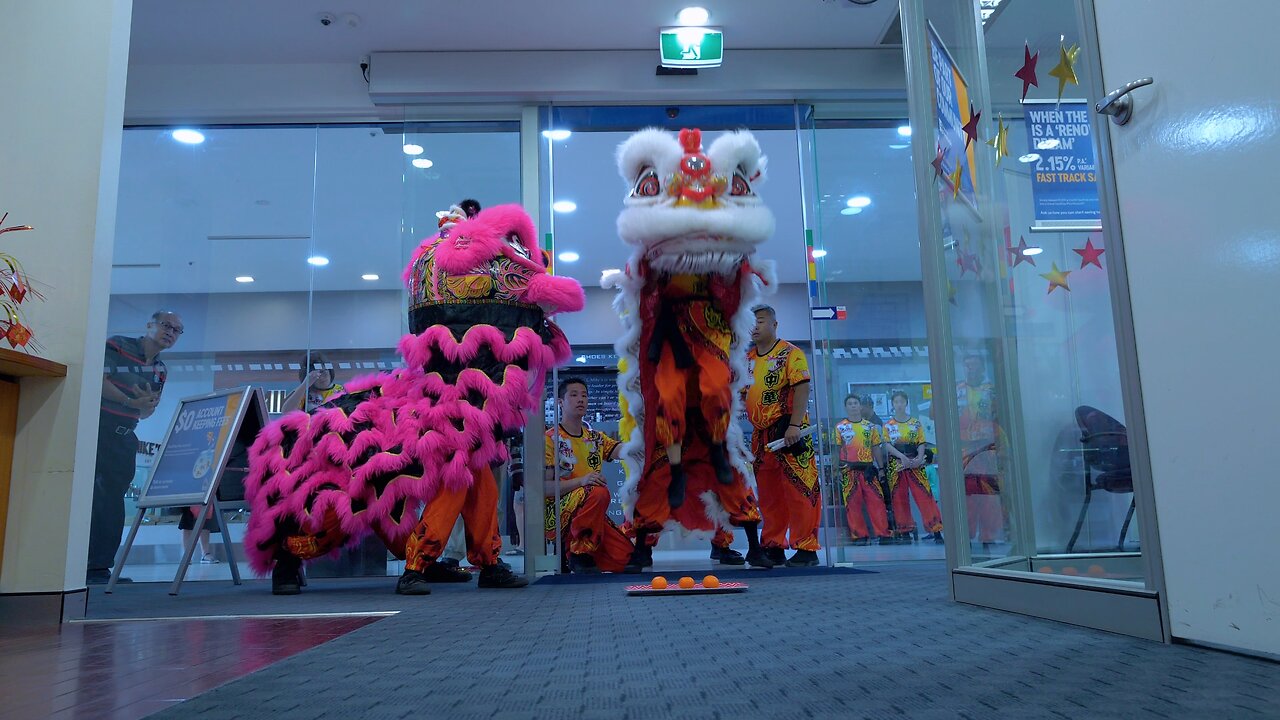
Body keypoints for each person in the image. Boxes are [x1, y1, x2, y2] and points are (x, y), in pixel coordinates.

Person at [243, 201, 579, 596]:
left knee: (477, 472)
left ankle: (484, 561)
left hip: (458, 399)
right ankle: (394, 562)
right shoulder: (452, 275)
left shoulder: (475, 298)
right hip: (439, 403)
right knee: (398, 477)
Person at [87, 310, 182, 584]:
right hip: (98, 431)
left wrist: (144, 406)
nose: (171, 333)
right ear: (149, 325)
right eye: (166, 326)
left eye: (177, 330)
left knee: (112, 503)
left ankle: (100, 568)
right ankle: (80, 565)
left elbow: (146, 412)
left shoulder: (160, 369)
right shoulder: (117, 345)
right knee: (92, 499)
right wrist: (131, 402)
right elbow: (97, 380)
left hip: (125, 436)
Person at [746, 305, 822, 567]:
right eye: (751, 322)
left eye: (761, 321)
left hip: (789, 431)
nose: (755, 327)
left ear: (775, 325)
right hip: (761, 437)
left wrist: (795, 425)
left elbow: (802, 388)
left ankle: (806, 547)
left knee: (800, 489)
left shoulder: (791, 353)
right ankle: (773, 545)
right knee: (769, 494)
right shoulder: (747, 359)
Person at [544, 377, 635, 573]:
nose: (581, 400)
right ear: (560, 402)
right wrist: (581, 481)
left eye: (584, 395)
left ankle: (580, 551)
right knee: (599, 492)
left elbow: (622, 450)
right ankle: (577, 552)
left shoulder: (594, 437)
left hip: (590, 515)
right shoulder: (550, 439)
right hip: (557, 512)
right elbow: (545, 489)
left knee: (629, 559)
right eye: (574, 395)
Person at [882, 390, 944, 544]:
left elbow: (921, 442)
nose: (899, 405)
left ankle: (936, 530)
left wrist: (918, 458)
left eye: (902, 401)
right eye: (896, 402)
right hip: (896, 463)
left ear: (906, 403)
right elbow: (887, 445)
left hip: (915, 462)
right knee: (899, 497)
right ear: (892, 404)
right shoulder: (888, 425)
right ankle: (904, 531)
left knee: (925, 495)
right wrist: (901, 457)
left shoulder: (915, 423)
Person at [958, 354, 1004, 550]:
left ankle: (988, 536)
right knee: (966, 495)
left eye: (975, 366)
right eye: (968, 366)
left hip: (988, 448)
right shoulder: (956, 390)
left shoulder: (991, 390)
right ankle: (965, 536)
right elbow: (936, 414)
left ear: (982, 368)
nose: (971, 370)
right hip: (964, 449)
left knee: (989, 495)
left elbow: (1003, 416)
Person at [833, 395, 892, 546]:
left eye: (855, 403)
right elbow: (836, 450)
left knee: (877, 501)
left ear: (860, 406)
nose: (853, 406)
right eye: (850, 403)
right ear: (846, 407)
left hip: (868, 470)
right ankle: (859, 535)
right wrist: (836, 470)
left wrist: (880, 469)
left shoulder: (870, 427)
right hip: (848, 470)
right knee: (852, 503)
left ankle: (883, 533)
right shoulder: (840, 427)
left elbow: (876, 448)